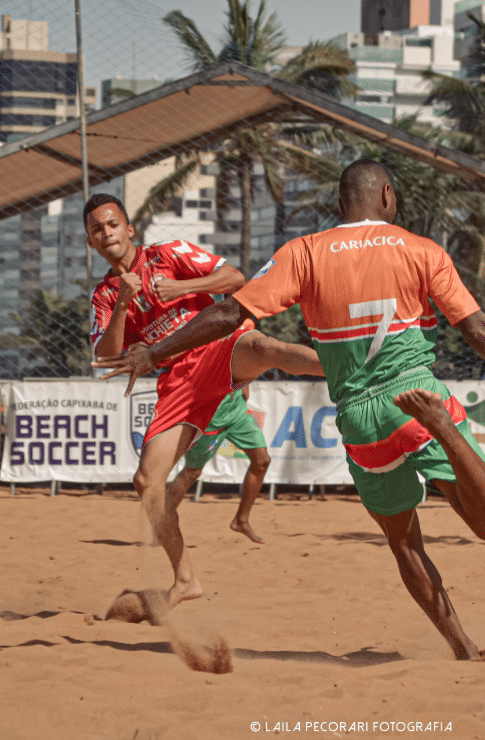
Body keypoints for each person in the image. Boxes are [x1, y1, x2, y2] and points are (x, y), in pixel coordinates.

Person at [94, 160, 485, 661]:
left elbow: (226, 312)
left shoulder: (304, 252)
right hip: (415, 398)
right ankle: (445, 431)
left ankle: (463, 647)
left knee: (404, 543)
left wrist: (153, 353)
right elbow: (475, 327)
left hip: (358, 421)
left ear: (339, 205)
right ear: (387, 196)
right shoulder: (419, 249)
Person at [84, 193, 322, 612]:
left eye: (112, 225)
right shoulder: (105, 295)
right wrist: (123, 300)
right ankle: (185, 580)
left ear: (129, 229)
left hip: (216, 346)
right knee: (146, 483)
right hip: (178, 382)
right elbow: (106, 356)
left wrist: (182, 286)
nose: (106, 234)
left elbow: (235, 278)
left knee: (265, 347)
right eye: (97, 230)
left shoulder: (167, 254)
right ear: (91, 242)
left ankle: (352, 371)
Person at [165, 383, 269, 544]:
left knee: (262, 461)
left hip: (237, 410)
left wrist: (246, 382)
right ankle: (162, 522)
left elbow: (242, 358)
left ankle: (241, 520)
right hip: (210, 417)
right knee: (192, 471)